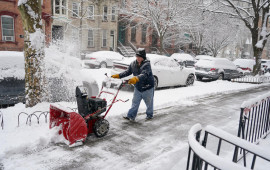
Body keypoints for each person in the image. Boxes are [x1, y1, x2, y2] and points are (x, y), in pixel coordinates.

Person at [111, 48, 155, 121]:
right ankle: (131, 116)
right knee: (135, 102)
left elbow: (144, 74)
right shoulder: (133, 64)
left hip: (148, 87)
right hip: (138, 87)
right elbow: (127, 72)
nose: (138, 58)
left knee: (149, 103)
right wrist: (118, 75)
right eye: (137, 56)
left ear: (143, 57)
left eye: (139, 57)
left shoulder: (147, 64)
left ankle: (149, 115)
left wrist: (136, 78)